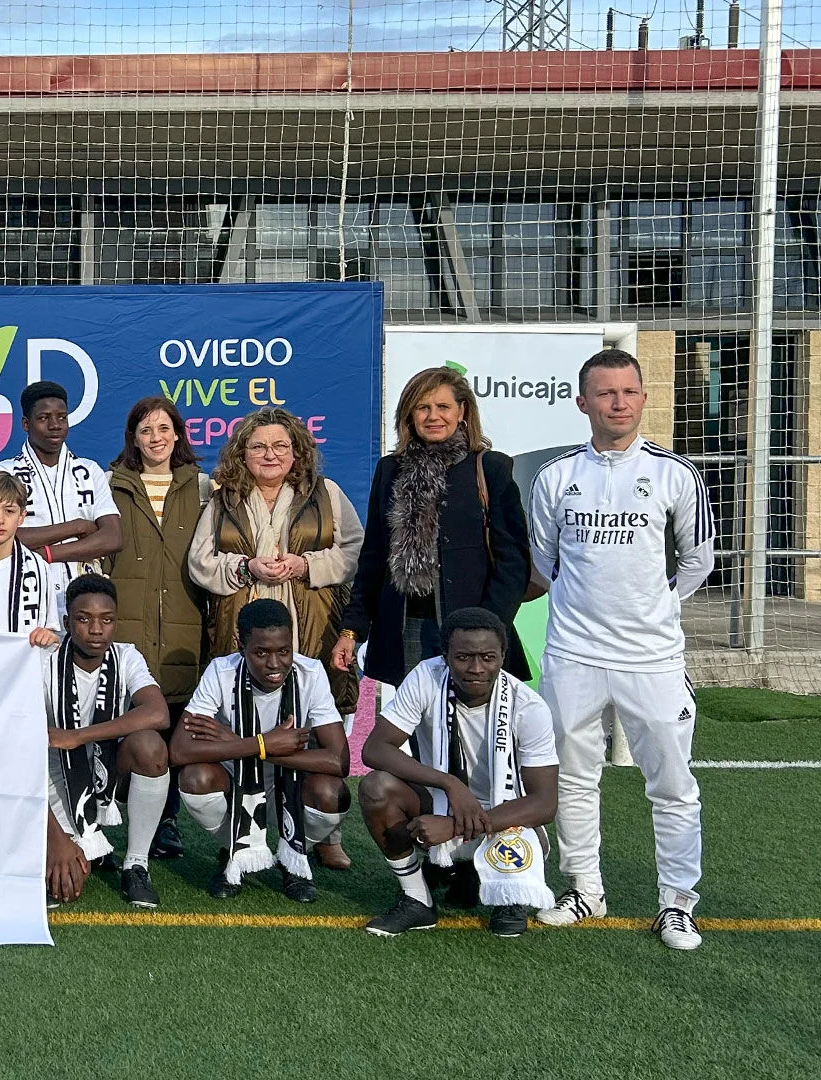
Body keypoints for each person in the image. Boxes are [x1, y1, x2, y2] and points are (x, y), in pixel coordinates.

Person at [528, 348, 714, 950]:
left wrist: (652, 609)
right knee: (573, 778)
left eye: (628, 392)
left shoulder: (675, 473)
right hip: (573, 655)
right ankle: (584, 888)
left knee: (672, 784)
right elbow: (544, 562)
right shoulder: (557, 476)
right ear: (582, 402)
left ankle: (677, 903)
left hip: (652, 658)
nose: (618, 403)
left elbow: (697, 561)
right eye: (605, 393)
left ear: (642, 398)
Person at [188, 408, 362, 869]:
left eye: (280, 446)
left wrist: (307, 565)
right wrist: (246, 566)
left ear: (297, 451)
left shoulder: (327, 494)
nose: (270, 454)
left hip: (312, 624)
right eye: (259, 446)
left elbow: (354, 552)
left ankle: (325, 833)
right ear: (242, 452)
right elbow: (200, 563)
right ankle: (244, 832)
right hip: (242, 629)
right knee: (244, 724)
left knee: (318, 723)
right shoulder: (223, 499)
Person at [358, 607, 559, 939]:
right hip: (441, 800)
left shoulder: (529, 707)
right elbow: (375, 749)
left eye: (488, 657)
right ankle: (416, 898)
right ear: (446, 656)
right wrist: (449, 784)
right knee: (376, 788)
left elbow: (544, 803)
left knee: (507, 927)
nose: (476, 668)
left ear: (503, 657)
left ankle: (506, 897)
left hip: (505, 816)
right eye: (464, 657)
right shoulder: (427, 676)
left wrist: (452, 825)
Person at [335, 366, 531, 693]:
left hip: (474, 631)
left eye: (443, 407)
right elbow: (373, 559)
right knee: (417, 732)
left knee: (472, 732)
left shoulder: (491, 468)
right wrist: (351, 631)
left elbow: (513, 561)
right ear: (409, 415)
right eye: (422, 407)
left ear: (462, 411)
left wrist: (487, 628)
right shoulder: (390, 470)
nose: (433, 416)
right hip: (406, 627)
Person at [169, 598, 349, 902]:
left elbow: (339, 760)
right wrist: (262, 743)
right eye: (261, 652)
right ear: (241, 646)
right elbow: (179, 750)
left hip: (288, 778)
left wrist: (246, 745)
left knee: (331, 793)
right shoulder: (221, 672)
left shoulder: (311, 673)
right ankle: (235, 852)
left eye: (283, 651)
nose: (275, 664)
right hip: (237, 776)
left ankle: (292, 856)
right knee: (195, 778)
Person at [105, 396, 212, 863]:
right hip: (126, 626)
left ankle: (166, 822)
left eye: (164, 429)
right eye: (146, 430)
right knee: (118, 724)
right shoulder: (110, 487)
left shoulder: (205, 488)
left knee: (171, 726)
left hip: (184, 626)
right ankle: (103, 815)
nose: (156, 438)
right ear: (133, 437)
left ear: (178, 435)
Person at [42, 576, 174, 910]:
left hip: (106, 768)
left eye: (107, 619)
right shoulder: (43, 658)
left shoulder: (126, 657)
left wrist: (77, 736)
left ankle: (136, 864)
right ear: (66, 622)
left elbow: (159, 713)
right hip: (49, 775)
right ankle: (71, 840)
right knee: (63, 882)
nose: (97, 630)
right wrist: (53, 840)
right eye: (84, 619)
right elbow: (12, 755)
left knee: (150, 747)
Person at [2, 381, 122, 588]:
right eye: (43, 418)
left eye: (62, 417)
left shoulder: (89, 470)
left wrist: (48, 553)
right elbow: (4, 536)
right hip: (27, 591)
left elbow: (113, 538)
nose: (55, 425)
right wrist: (77, 526)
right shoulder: (5, 473)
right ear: (25, 424)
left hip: (84, 594)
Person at [0, 471, 62, 644]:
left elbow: (49, 629)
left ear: (22, 517)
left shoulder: (38, 567)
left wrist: (46, 635)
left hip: (21, 667)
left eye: (9, 511)